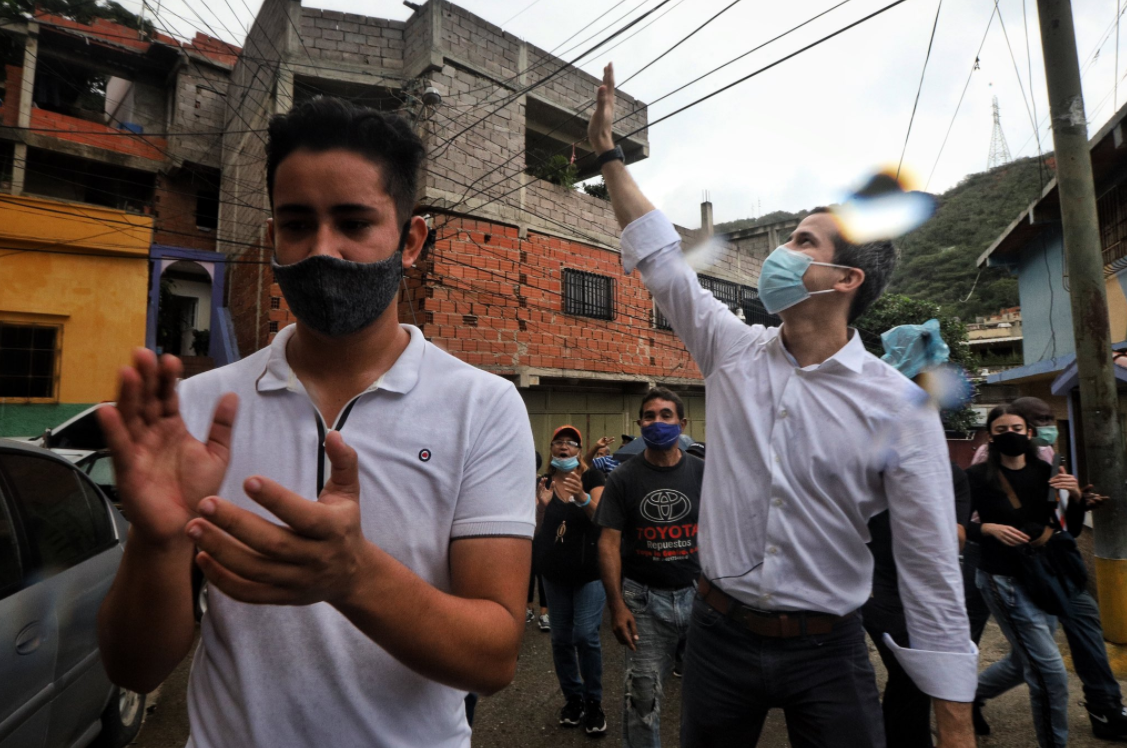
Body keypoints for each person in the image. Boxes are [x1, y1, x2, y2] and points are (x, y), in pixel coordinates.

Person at [95, 98, 535, 748]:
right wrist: (156, 544)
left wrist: (353, 576)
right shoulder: (204, 409)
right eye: (297, 225)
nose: (322, 250)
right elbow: (132, 667)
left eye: (354, 223)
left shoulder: (483, 407)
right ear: (273, 237)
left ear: (410, 240)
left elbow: (492, 658)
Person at [587, 63, 976, 748]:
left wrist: (953, 720)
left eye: (801, 243)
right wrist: (608, 154)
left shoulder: (898, 408)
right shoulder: (731, 350)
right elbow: (661, 258)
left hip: (828, 652)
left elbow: (927, 566)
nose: (779, 252)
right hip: (716, 639)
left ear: (845, 279)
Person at [969, 403, 1127, 743]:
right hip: (1006, 575)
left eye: (1020, 428)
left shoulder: (1045, 464)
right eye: (1001, 430)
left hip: (1051, 570)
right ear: (992, 436)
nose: (1011, 435)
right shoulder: (981, 470)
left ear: (1029, 432)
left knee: (1022, 660)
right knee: (1048, 669)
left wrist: (1075, 497)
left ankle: (968, 696)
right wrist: (989, 529)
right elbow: (964, 521)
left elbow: (1060, 522)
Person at [863, 322, 973, 747]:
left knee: (920, 682)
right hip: (879, 592)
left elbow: (953, 540)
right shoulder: (870, 452)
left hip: (927, 590)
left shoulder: (951, 473)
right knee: (910, 680)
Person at [596, 387, 704, 748]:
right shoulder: (623, 477)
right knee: (641, 700)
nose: (657, 422)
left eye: (666, 415)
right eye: (649, 416)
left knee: (712, 699)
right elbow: (608, 543)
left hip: (700, 598)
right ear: (640, 423)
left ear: (682, 423)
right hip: (642, 602)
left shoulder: (703, 473)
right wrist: (617, 606)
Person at [534, 425, 609, 736]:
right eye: (558, 443)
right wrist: (542, 505)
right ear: (552, 449)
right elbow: (540, 528)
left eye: (570, 444)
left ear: (579, 450)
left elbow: (602, 517)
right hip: (554, 573)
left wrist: (579, 496)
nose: (564, 448)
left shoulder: (592, 478)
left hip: (589, 573)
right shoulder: (545, 481)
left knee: (585, 636)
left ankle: (594, 702)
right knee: (561, 639)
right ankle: (573, 699)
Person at [529, 451, 550, 631]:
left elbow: (540, 505)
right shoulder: (515, 481)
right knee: (527, 571)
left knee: (541, 572)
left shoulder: (542, 481)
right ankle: (528, 608)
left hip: (541, 532)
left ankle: (544, 612)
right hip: (524, 534)